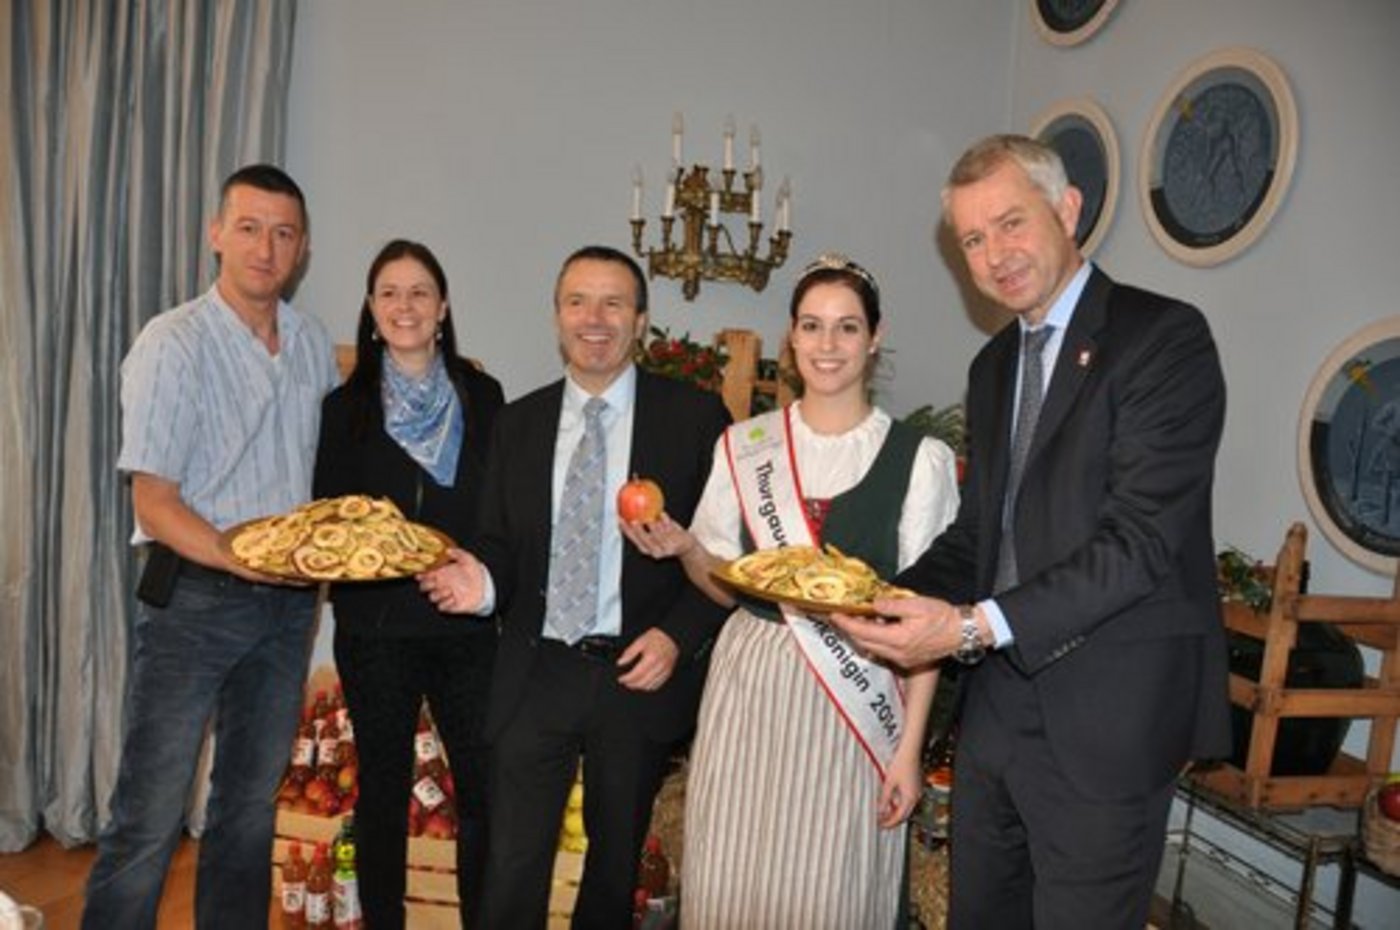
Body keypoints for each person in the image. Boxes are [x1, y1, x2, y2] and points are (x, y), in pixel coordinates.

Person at [830, 134, 1231, 930]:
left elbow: (1140, 543)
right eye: (972, 240)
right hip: (996, 718)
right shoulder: (993, 367)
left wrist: (971, 626)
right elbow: (983, 531)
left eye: (1011, 223)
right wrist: (876, 596)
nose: (994, 255)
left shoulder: (1164, 339)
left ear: (1068, 209)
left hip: (1107, 721)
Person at [622, 252, 960, 929]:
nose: (827, 346)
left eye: (845, 327)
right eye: (811, 326)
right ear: (791, 337)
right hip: (748, 684)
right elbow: (725, 589)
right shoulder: (744, 446)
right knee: (731, 880)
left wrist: (909, 751)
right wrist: (689, 548)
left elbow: (929, 623)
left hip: (854, 691)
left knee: (827, 888)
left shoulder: (921, 460)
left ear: (875, 336)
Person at [419, 245, 731, 929]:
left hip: (637, 676)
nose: (595, 319)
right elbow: (500, 543)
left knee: (613, 872)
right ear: (557, 317)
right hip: (536, 672)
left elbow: (726, 556)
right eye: (578, 302)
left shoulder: (696, 420)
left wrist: (678, 639)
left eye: (614, 302)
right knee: (511, 870)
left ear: (641, 320)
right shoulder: (518, 423)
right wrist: (482, 583)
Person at [83, 164, 338, 929]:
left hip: (289, 611)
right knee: (149, 814)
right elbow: (154, 503)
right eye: (251, 227)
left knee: (249, 812)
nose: (266, 247)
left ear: (302, 250)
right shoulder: (172, 342)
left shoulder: (312, 342)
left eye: (284, 233)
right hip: (194, 601)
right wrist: (241, 557)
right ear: (216, 234)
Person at [311, 239, 504, 928]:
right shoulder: (344, 408)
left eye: (420, 292)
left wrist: (468, 568)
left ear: (444, 306)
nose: (405, 306)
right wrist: (396, 555)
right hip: (378, 630)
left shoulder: (483, 396)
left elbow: (498, 510)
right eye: (389, 293)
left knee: (484, 789)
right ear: (370, 308)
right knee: (384, 793)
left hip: (467, 628)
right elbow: (332, 522)